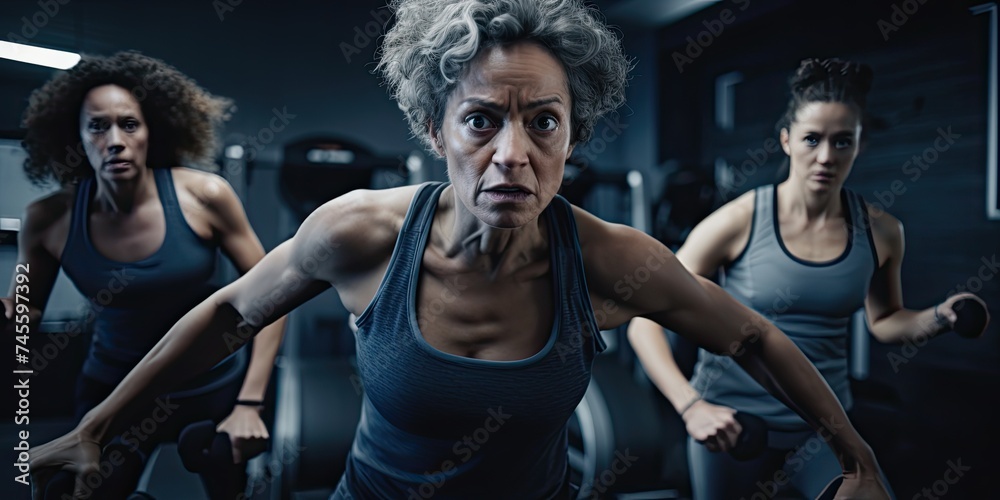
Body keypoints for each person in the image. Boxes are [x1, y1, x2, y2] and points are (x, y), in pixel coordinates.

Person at [28, 3, 892, 499]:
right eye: (482, 119)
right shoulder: (358, 231)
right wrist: (97, 427)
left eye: (542, 123)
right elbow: (225, 313)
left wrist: (856, 455)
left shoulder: (609, 259)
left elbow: (752, 337)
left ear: (572, 135)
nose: (512, 154)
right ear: (433, 127)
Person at [627, 57, 990, 499]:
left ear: (860, 146)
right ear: (786, 140)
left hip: (825, 428)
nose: (825, 157)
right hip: (735, 425)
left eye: (842, 142)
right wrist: (692, 406)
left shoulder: (883, 231)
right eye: (812, 139)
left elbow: (886, 320)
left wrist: (938, 317)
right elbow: (645, 318)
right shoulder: (740, 219)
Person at [2, 51, 287, 499]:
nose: (115, 140)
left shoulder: (204, 195)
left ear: (152, 130)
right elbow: (25, 312)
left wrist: (250, 402)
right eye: (98, 126)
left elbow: (274, 297)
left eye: (129, 124)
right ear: (74, 135)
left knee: (226, 489)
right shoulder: (48, 218)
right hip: (112, 390)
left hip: (211, 387)